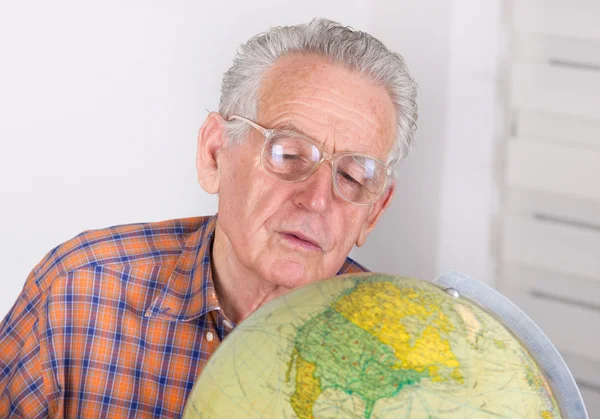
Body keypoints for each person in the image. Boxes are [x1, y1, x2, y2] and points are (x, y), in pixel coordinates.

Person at [0, 18, 417, 418]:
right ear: (215, 153)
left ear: (375, 211)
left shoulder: (406, 363)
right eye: (288, 154)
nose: (317, 200)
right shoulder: (77, 292)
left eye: (351, 176)